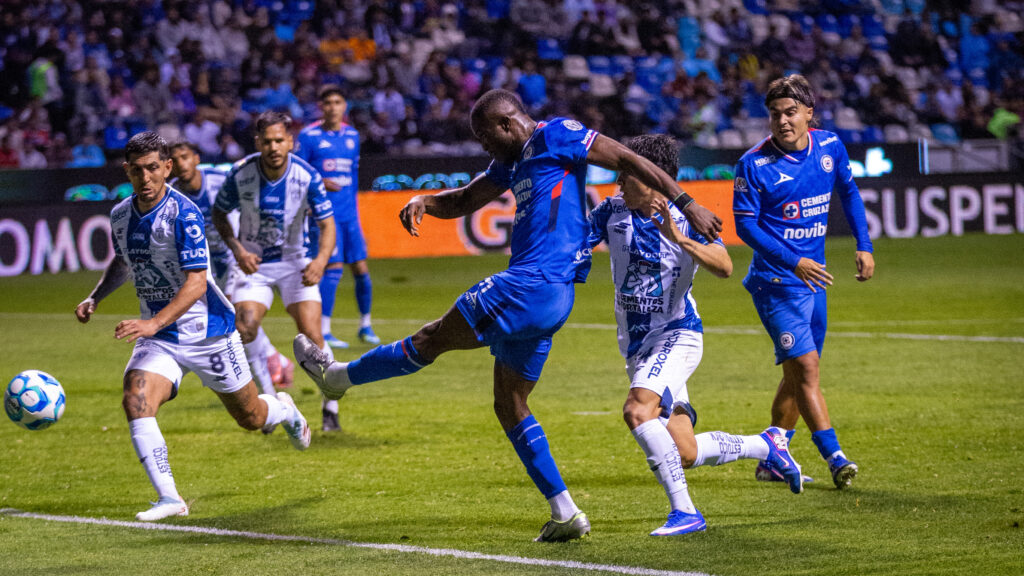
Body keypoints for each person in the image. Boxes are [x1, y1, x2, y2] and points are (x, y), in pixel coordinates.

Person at [293, 89, 722, 542]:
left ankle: (338, 378)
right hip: (547, 298)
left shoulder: (559, 134)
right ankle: (565, 512)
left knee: (432, 338)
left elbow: (628, 159)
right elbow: (465, 199)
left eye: (484, 137)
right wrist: (426, 201)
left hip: (531, 283)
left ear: (505, 125)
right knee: (509, 405)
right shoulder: (510, 163)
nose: (483, 147)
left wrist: (686, 201)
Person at [74, 132, 310, 522]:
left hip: (209, 333)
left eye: (153, 168)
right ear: (127, 171)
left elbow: (197, 282)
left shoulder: (183, 214)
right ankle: (170, 498)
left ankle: (284, 410)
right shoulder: (120, 215)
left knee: (250, 417)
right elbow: (123, 261)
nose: (146, 178)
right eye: (137, 170)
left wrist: (152, 321)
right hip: (163, 338)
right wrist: (95, 297)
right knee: (136, 399)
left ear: (167, 168)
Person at [588, 134, 802, 537]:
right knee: (683, 451)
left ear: (652, 176)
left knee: (638, 410)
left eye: (627, 174)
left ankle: (686, 513)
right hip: (638, 348)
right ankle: (767, 445)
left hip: (678, 335)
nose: (619, 182)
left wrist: (676, 235)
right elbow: (573, 248)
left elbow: (724, 265)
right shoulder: (610, 212)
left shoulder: (685, 218)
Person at [732, 74, 875, 489]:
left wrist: (863, 244)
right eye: (775, 114)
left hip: (814, 281)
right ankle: (836, 457)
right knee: (806, 368)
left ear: (809, 114)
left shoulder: (829, 146)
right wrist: (795, 261)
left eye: (791, 112)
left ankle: (773, 456)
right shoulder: (753, 164)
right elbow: (746, 227)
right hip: (776, 283)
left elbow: (848, 192)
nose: (782, 121)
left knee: (798, 373)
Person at [212, 111, 337, 410]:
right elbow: (219, 213)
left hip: (297, 264)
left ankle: (330, 404)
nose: (273, 147)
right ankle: (270, 399)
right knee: (244, 328)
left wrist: (320, 260)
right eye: (267, 141)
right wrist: (238, 250)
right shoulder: (240, 174)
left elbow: (328, 224)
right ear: (258, 142)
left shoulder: (307, 176)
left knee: (312, 334)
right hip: (254, 266)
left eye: (280, 140)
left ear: (290, 142)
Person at [169, 141, 294, 392]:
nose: (182, 164)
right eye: (176, 159)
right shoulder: (172, 195)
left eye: (185, 157)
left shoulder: (219, 179)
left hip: (238, 255)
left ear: (195, 158)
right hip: (207, 265)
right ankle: (275, 359)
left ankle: (266, 387)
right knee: (234, 322)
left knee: (238, 322)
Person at [295, 85, 378, 432]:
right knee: (332, 270)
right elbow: (299, 172)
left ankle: (365, 324)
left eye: (338, 102)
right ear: (320, 106)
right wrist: (320, 181)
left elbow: (354, 175)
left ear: (344, 106)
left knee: (362, 270)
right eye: (326, 101)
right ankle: (325, 331)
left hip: (350, 216)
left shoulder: (352, 136)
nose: (332, 106)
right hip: (324, 217)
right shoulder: (309, 136)